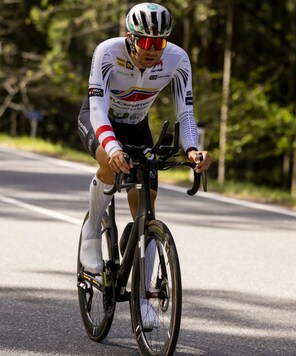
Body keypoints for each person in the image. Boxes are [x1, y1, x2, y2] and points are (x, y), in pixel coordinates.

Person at [77, 2, 211, 275]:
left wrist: (193, 149)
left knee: (147, 205)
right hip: (100, 120)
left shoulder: (178, 59)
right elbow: (99, 109)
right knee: (109, 164)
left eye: (159, 42)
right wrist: (113, 148)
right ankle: (91, 230)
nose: (153, 50)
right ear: (131, 39)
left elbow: (185, 112)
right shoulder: (108, 52)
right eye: (147, 42)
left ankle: (145, 299)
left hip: (137, 126)